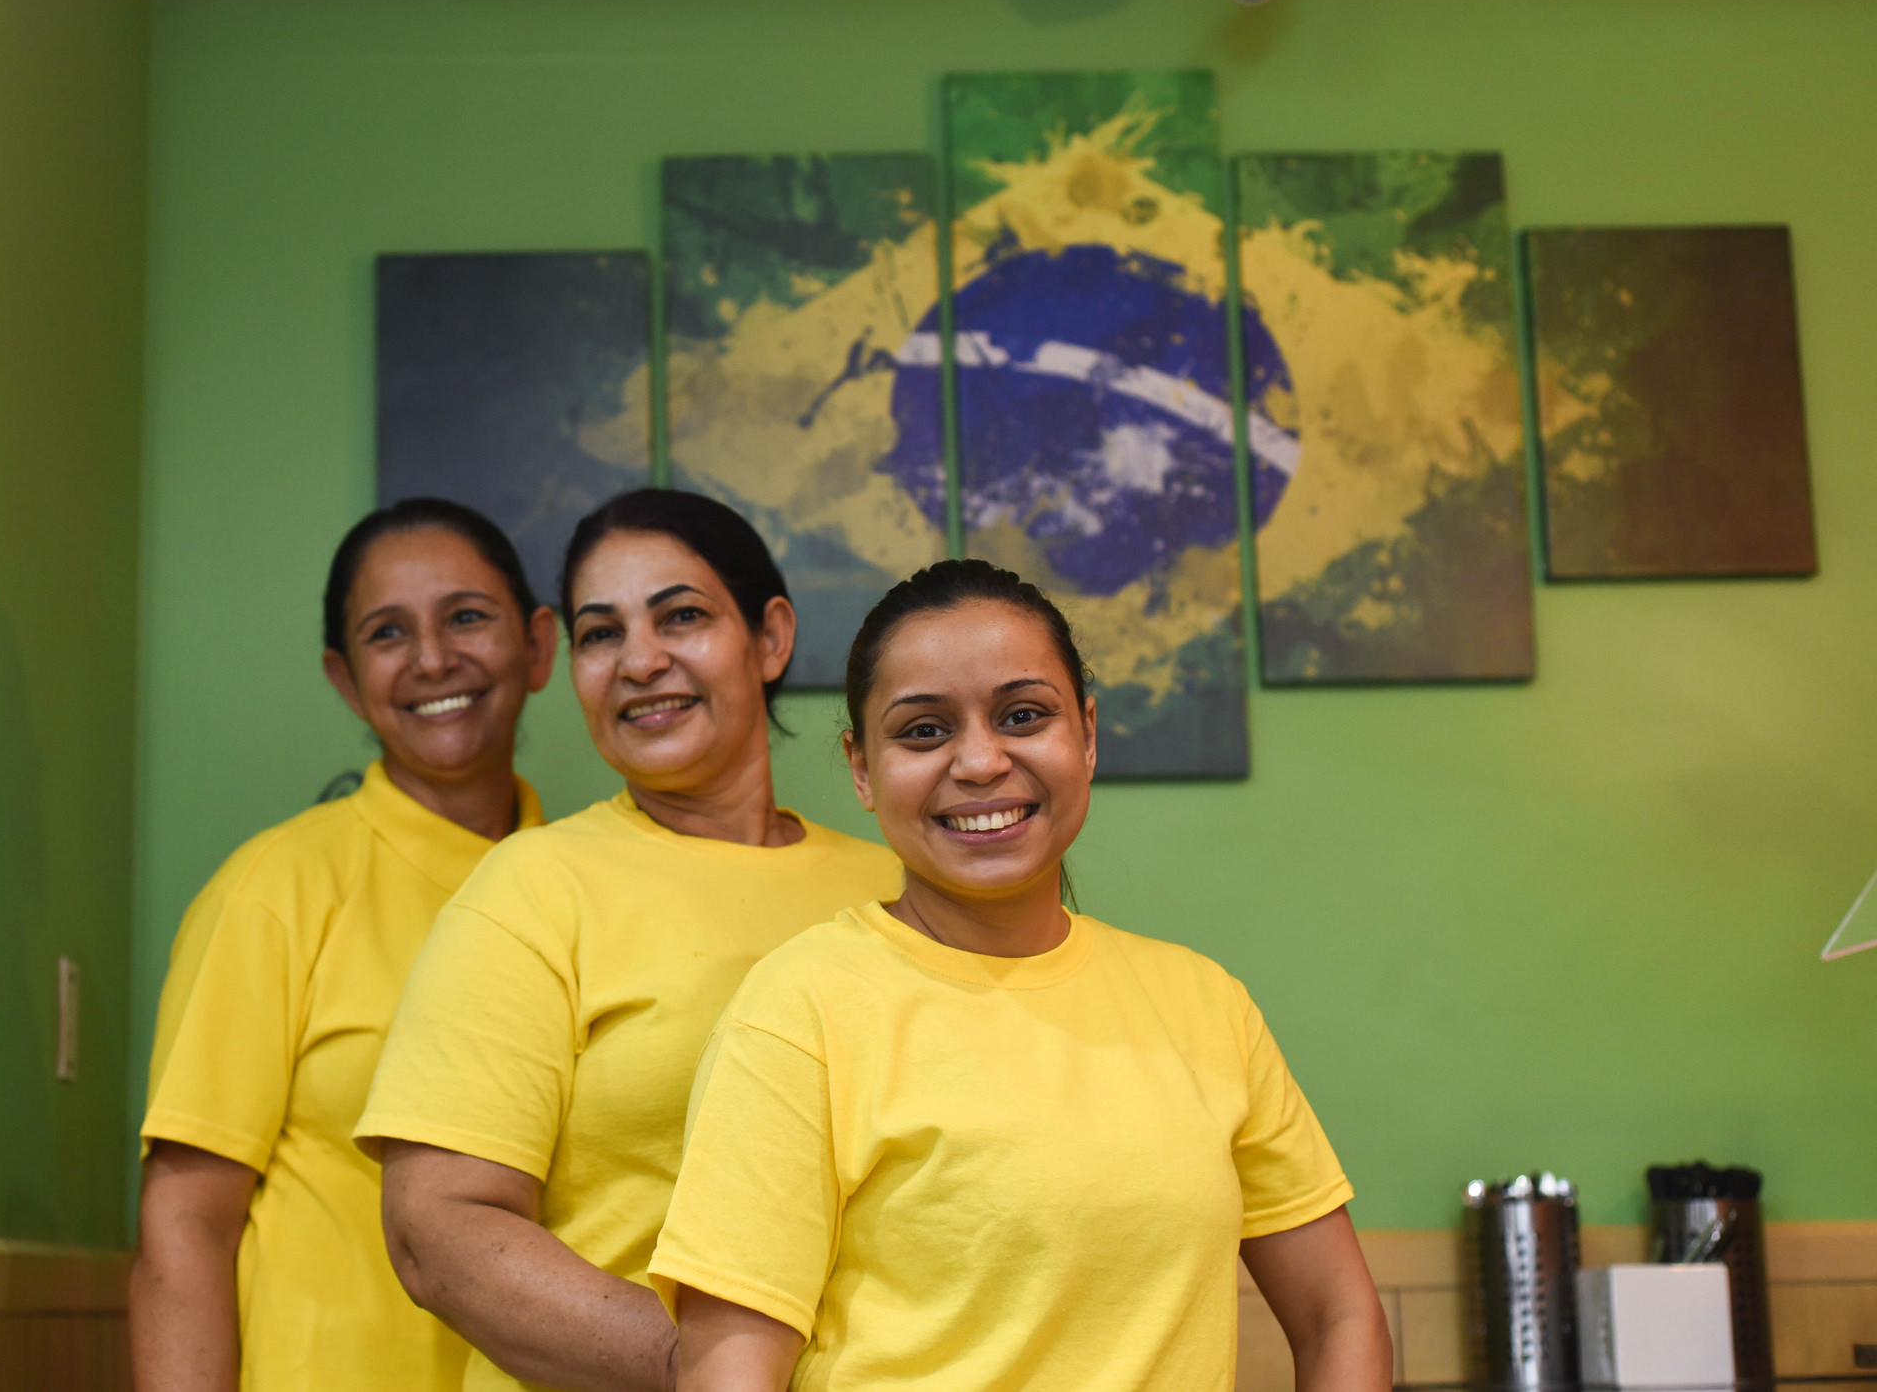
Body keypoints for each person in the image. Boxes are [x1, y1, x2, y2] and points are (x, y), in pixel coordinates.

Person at [650, 559, 1394, 1392]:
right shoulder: (799, 1012)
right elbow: (729, 1374)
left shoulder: (1204, 1004)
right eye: (924, 730)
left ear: (1087, 733)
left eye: (1023, 715)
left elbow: (1341, 1314)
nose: (979, 761)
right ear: (861, 769)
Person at [355, 489, 902, 1392]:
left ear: (770, 636)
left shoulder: (892, 886)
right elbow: (437, 1229)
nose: (641, 661)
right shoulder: (533, 886)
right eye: (601, 634)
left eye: (681, 615)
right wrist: (717, 1371)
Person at [130, 497, 558, 1392]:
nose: (433, 658)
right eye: (387, 632)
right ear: (345, 677)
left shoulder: (589, 884)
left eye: (467, 617)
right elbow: (185, 1221)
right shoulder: (273, 888)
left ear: (539, 644)